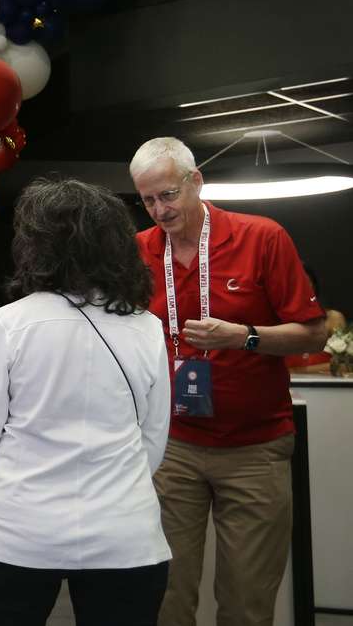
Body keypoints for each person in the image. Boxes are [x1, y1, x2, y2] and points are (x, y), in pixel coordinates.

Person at [129, 137, 327, 626]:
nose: (159, 210)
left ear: (196, 182)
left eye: (168, 194)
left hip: (254, 448)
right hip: (171, 446)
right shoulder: (138, 251)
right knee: (165, 594)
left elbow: (314, 331)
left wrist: (245, 337)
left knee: (246, 600)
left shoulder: (262, 238)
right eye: (148, 200)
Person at [0, 178, 172, 626]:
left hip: (17, 528)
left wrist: (18, 488)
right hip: (125, 531)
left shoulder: (8, 323)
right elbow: (154, 438)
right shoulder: (147, 328)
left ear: (36, 246)